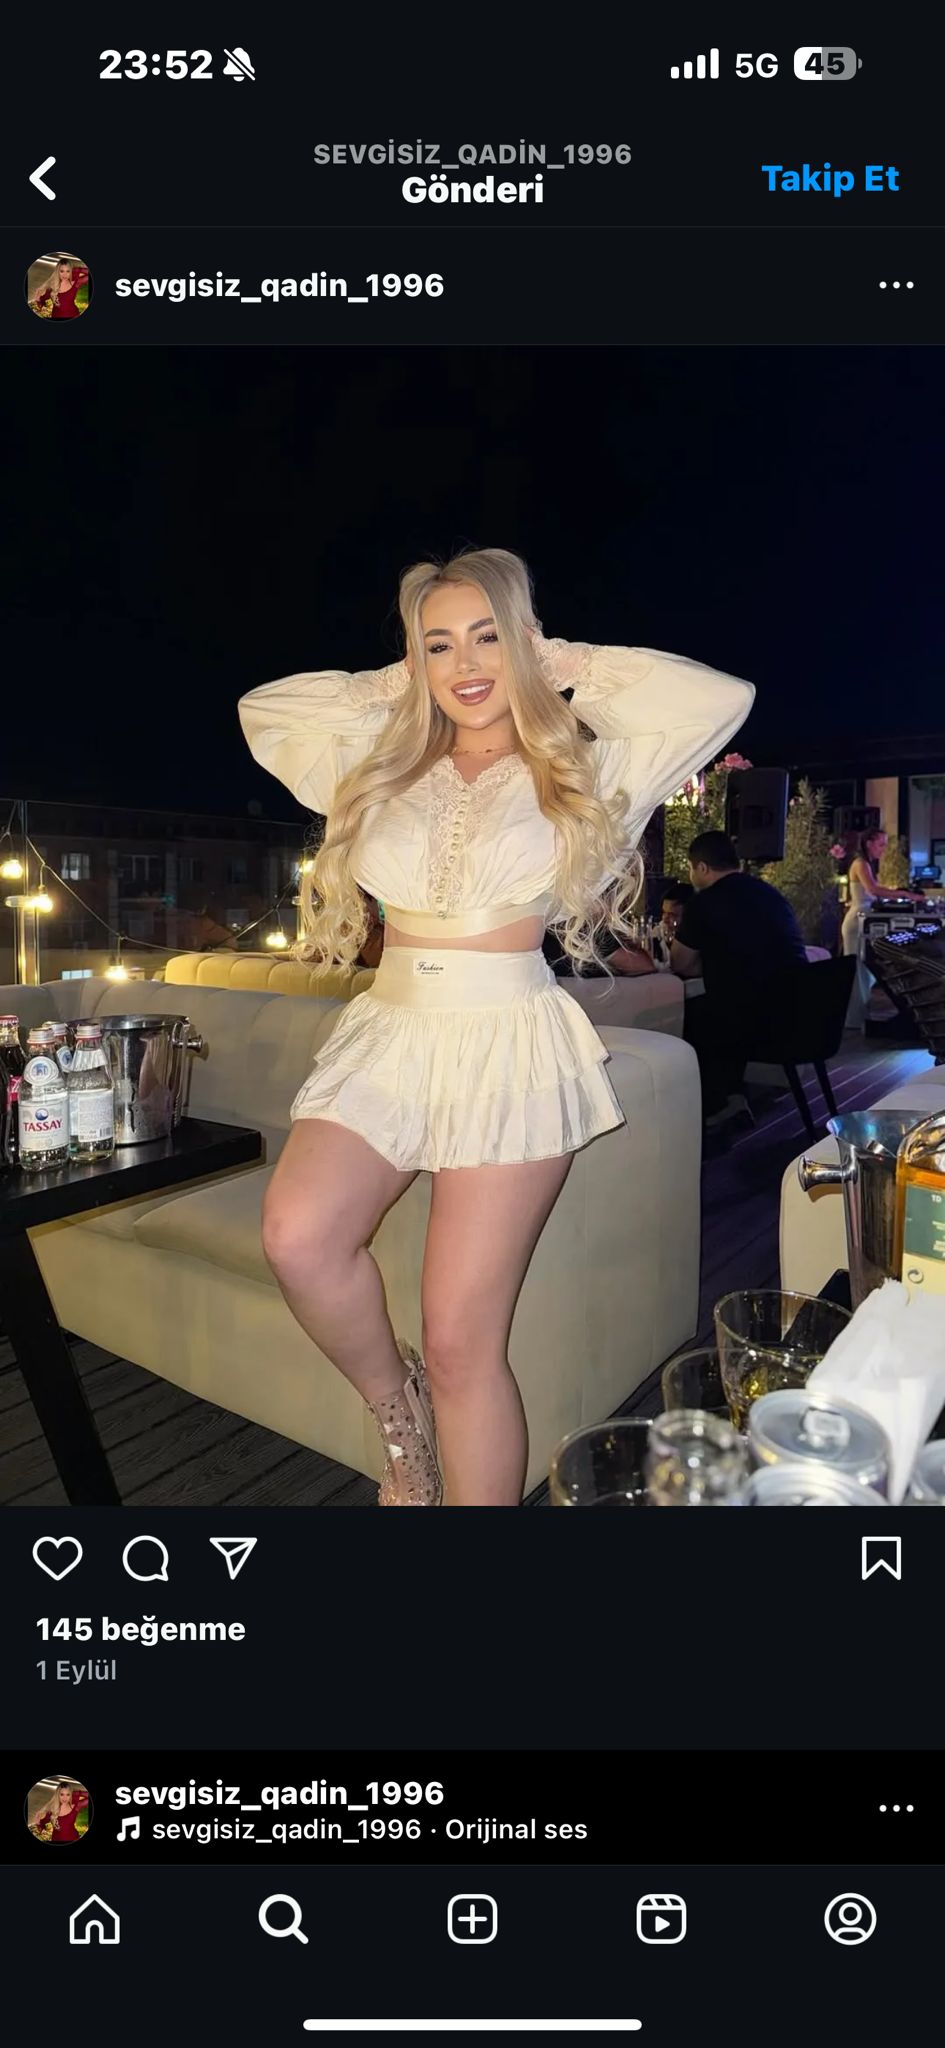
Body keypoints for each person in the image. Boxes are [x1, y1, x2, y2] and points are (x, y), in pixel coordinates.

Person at [239, 548, 754, 1506]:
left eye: (486, 637)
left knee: (461, 1339)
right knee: (296, 1236)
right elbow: (267, 711)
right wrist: (399, 679)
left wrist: (555, 660)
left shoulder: (583, 766)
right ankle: (401, 1419)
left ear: (522, 639)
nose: (464, 663)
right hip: (388, 1031)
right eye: (438, 643)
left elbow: (717, 698)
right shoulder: (384, 766)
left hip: (507, 1041)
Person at [670, 830, 806, 1117]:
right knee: (725, 1003)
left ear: (702, 868)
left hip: (754, 1025)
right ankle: (732, 1095)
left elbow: (680, 964)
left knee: (689, 1017)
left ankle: (712, 1106)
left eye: (691, 868)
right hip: (797, 1017)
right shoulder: (770, 894)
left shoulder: (703, 903)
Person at [841, 828, 921, 1020]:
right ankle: (853, 1019)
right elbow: (873, 890)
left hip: (863, 919)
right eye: (881, 844)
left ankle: (858, 1017)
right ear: (868, 843)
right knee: (857, 970)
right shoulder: (861, 863)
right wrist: (904, 894)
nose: (883, 849)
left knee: (864, 970)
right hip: (857, 920)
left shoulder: (866, 864)